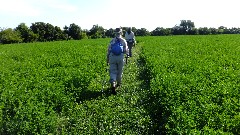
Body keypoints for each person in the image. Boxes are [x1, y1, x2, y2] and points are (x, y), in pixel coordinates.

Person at [106, 28, 128, 95]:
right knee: (119, 71)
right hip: (120, 57)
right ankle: (118, 83)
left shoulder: (112, 41)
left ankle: (113, 83)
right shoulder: (123, 40)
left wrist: (107, 59)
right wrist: (127, 56)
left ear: (115, 33)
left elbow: (109, 51)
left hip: (112, 57)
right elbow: (125, 51)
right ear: (121, 33)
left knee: (113, 71)